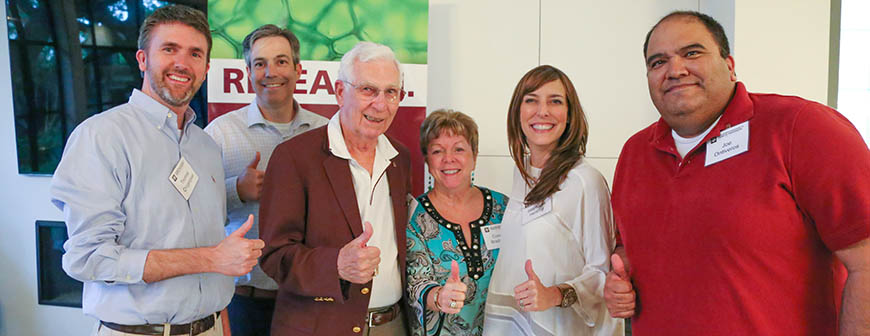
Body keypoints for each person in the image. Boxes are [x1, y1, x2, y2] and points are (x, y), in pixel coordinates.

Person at [605, 11, 870, 335]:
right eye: (658, 62)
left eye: (692, 52)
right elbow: (628, 248)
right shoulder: (635, 153)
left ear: (729, 64)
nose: (675, 70)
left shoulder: (801, 129)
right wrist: (619, 281)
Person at [50, 5, 264, 336]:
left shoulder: (205, 147)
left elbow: (195, 227)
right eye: (169, 49)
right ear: (142, 59)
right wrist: (210, 260)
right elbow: (90, 258)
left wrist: (219, 321)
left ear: (206, 69)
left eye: (195, 54)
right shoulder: (102, 137)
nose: (182, 63)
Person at [259, 41, 412, 335]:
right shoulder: (294, 156)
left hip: (392, 325)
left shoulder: (400, 158)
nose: (380, 104)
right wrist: (336, 265)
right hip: (320, 327)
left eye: (391, 92)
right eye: (368, 89)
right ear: (341, 92)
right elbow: (274, 256)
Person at [204, 24, 329, 336]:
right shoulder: (219, 134)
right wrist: (237, 191)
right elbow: (192, 216)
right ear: (248, 71)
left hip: (311, 300)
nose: (271, 72)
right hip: (246, 304)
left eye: (281, 61)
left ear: (299, 69)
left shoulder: (327, 133)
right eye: (260, 63)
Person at [484, 65, 622, 336]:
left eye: (555, 101)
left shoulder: (585, 181)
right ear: (517, 112)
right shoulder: (521, 173)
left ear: (570, 115)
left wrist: (556, 295)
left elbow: (602, 273)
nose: (542, 111)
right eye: (531, 100)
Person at [406, 109, 509, 335]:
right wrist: (439, 297)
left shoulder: (504, 207)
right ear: (427, 160)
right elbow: (416, 283)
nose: (448, 159)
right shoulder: (413, 215)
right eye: (437, 151)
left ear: (474, 155)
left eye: (459, 149)